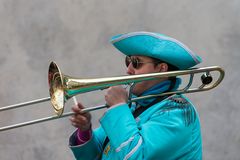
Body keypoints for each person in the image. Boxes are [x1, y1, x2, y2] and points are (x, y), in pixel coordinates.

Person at [68, 31, 202, 160]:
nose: (128, 69)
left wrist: (118, 107)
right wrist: (85, 130)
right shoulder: (134, 106)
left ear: (161, 69)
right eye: (128, 61)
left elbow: (137, 156)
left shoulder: (178, 112)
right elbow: (94, 155)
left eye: (137, 63)